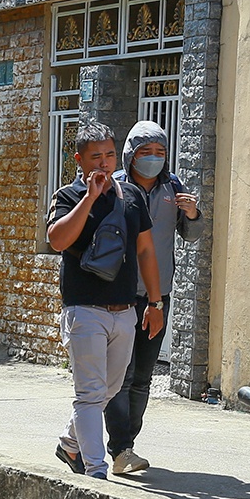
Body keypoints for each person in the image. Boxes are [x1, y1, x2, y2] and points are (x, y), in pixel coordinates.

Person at [47, 119, 166, 478]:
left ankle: (70, 443)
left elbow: (146, 251)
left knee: (110, 387)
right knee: (90, 393)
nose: (103, 163)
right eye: (95, 156)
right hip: (84, 310)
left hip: (125, 310)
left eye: (110, 155)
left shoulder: (131, 196)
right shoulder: (67, 196)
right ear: (79, 160)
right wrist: (89, 197)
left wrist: (156, 304)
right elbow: (57, 240)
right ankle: (95, 469)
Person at [104, 120, 200, 475]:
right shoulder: (114, 186)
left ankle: (127, 442)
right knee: (120, 374)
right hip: (120, 294)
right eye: (146, 153)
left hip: (158, 294)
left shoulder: (172, 187)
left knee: (143, 375)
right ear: (131, 155)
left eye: (160, 152)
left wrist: (191, 213)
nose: (154, 159)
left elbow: (192, 234)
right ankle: (120, 448)